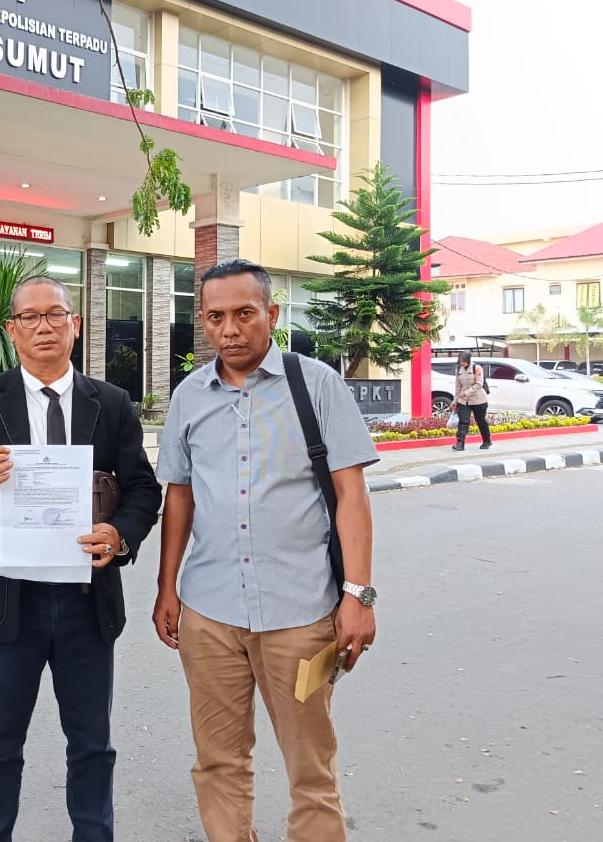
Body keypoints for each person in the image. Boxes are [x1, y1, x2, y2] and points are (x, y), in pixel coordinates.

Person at [152, 259, 379, 842]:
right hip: (210, 615)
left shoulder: (316, 384)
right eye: (215, 317)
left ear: (271, 314)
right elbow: (179, 496)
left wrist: (358, 595)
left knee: (311, 767)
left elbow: (351, 497)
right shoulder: (189, 396)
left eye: (244, 313)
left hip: (301, 617)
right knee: (218, 760)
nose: (229, 329)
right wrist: (166, 587)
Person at [0, 275, 161, 842]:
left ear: (75, 326)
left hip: (86, 602)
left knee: (91, 744)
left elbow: (143, 489)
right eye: (30, 317)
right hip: (7, 602)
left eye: (55, 315)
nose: (44, 326)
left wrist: (120, 535)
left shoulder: (110, 403)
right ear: (12, 330)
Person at [449, 350, 491, 451]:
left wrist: (467, 393)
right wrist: (455, 401)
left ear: (468, 360)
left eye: (463, 361)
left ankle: (487, 441)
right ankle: (460, 443)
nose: (462, 363)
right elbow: (458, 386)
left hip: (478, 399)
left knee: (481, 421)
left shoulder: (476, 368)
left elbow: (479, 384)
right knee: (463, 421)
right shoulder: (458, 369)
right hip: (463, 400)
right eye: (460, 361)